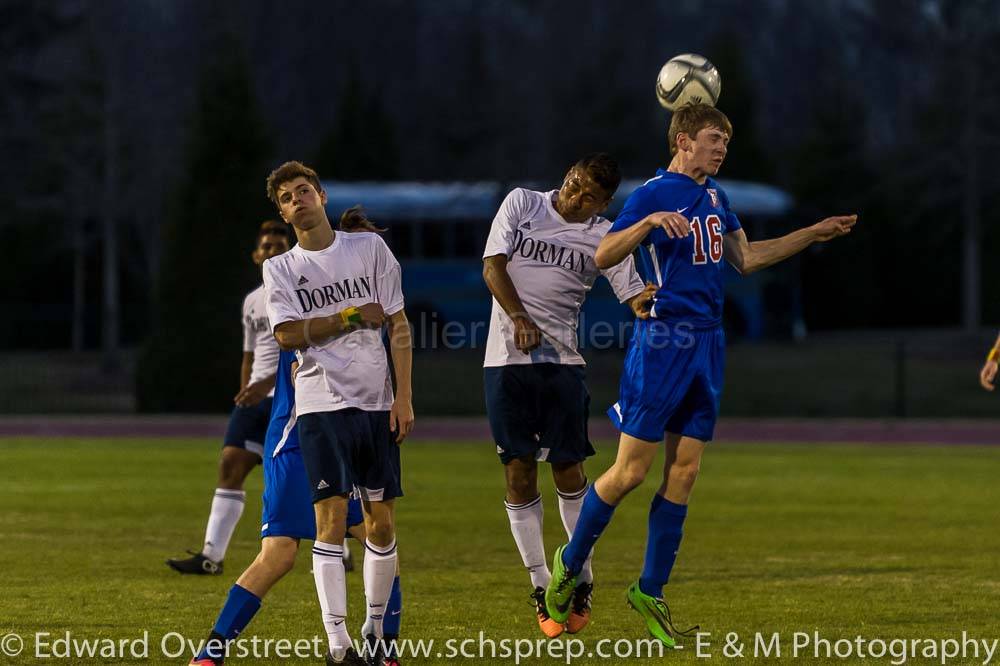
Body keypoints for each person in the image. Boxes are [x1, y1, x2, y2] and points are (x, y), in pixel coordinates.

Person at [544, 104, 858, 647]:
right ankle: (569, 564)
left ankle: (650, 590)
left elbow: (746, 258)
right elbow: (602, 254)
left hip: (708, 344)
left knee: (685, 474)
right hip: (663, 342)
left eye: (726, 142)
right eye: (714, 139)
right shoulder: (651, 193)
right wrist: (644, 223)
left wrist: (811, 233)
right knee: (630, 473)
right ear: (684, 140)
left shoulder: (717, 196)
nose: (722, 149)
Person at [188, 210, 404, 666]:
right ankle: (213, 649)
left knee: (379, 532)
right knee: (280, 553)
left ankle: (383, 643)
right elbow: (289, 337)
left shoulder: (374, 322)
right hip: (295, 434)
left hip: (349, 427)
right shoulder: (295, 286)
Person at [482, 153, 655, 638]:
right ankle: (541, 586)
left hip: (563, 365)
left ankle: (580, 578)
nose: (574, 196)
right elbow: (492, 265)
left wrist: (648, 301)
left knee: (569, 472)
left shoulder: (603, 235)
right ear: (567, 175)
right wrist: (519, 319)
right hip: (506, 362)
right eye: (574, 183)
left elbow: (632, 291)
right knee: (517, 473)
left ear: (604, 203)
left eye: (588, 195)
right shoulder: (522, 204)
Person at [263, 162, 413, 666]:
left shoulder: (368, 248)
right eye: (286, 197)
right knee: (329, 519)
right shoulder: (280, 268)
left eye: (303, 190)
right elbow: (285, 335)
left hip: (375, 402)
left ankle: (375, 631)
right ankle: (338, 644)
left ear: (322, 196)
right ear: (282, 213)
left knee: (381, 524)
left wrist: (404, 397)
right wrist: (347, 316)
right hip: (320, 404)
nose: (296, 200)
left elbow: (398, 324)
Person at [168, 221, 289, 575]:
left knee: (302, 476)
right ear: (257, 255)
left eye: (280, 247)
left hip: (290, 397)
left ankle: (337, 547)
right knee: (229, 466)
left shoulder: (300, 293)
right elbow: (249, 355)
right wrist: (245, 392)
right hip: (255, 398)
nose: (272, 252)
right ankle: (212, 557)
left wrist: (267, 384)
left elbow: (301, 351)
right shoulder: (252, 301)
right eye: (267, 247)